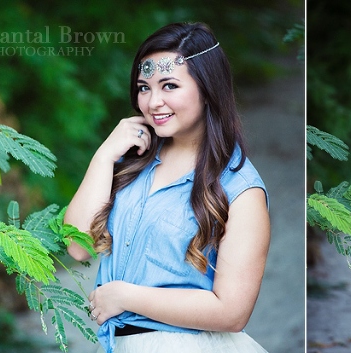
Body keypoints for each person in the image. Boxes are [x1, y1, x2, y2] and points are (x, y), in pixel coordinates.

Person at [64, 22, 270, 353]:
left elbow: (233, 312)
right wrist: (103, 156)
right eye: (144, 88)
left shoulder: (240, 188)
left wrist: (126, 296)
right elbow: (77, 247)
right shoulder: (133, 162)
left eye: (169, 85)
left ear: (208, 89)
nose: (153, 102)